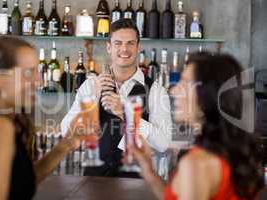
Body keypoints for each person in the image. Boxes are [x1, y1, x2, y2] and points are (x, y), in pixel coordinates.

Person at [128, 52, 264, 200]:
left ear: (208, 95)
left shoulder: (196, 165)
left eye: (185, 83)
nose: (173, 91)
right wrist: (149, 172)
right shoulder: (226, 150)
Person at [0, 36, 83, 200]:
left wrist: (66, 145)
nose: (39, 81)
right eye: (28, 72)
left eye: (37, 71)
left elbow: (19, 183)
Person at [61, 19, 173, 177]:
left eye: (130, 43)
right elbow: (66, 131)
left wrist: (126, 114)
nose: (124, 49)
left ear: (138, 47)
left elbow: (163, 143)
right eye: (118, 43)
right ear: (109, 47)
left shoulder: (156, 91)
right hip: (94, 180)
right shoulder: (91, 85)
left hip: (136, 183)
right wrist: (94, 97)